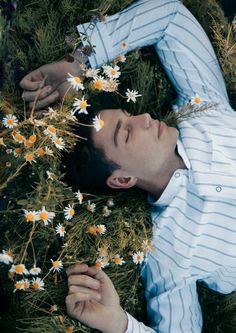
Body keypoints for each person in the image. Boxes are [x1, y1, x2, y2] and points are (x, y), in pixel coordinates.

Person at [20, 0, 236, 332]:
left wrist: (78, 60)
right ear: (123, 179)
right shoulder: (169, 251)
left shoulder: (202, 106)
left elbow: (170, 16)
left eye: (130, 116)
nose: (146, 118)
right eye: (126, 132)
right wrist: (118, 323)